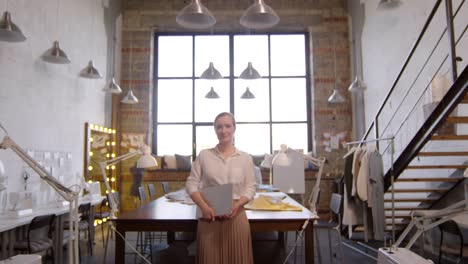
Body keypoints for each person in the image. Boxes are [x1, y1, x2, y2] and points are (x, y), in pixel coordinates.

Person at [185, 112, 256, 264]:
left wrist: (237, 205)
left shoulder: (245, 158)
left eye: (227, 126)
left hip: (236, 216)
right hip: (209, 217)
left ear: (234, 128)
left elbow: (250, 188)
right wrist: (204, 207)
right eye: (219, 127)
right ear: (215, 130)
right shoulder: (204, 155)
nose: (223, 130)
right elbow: (191, 184)